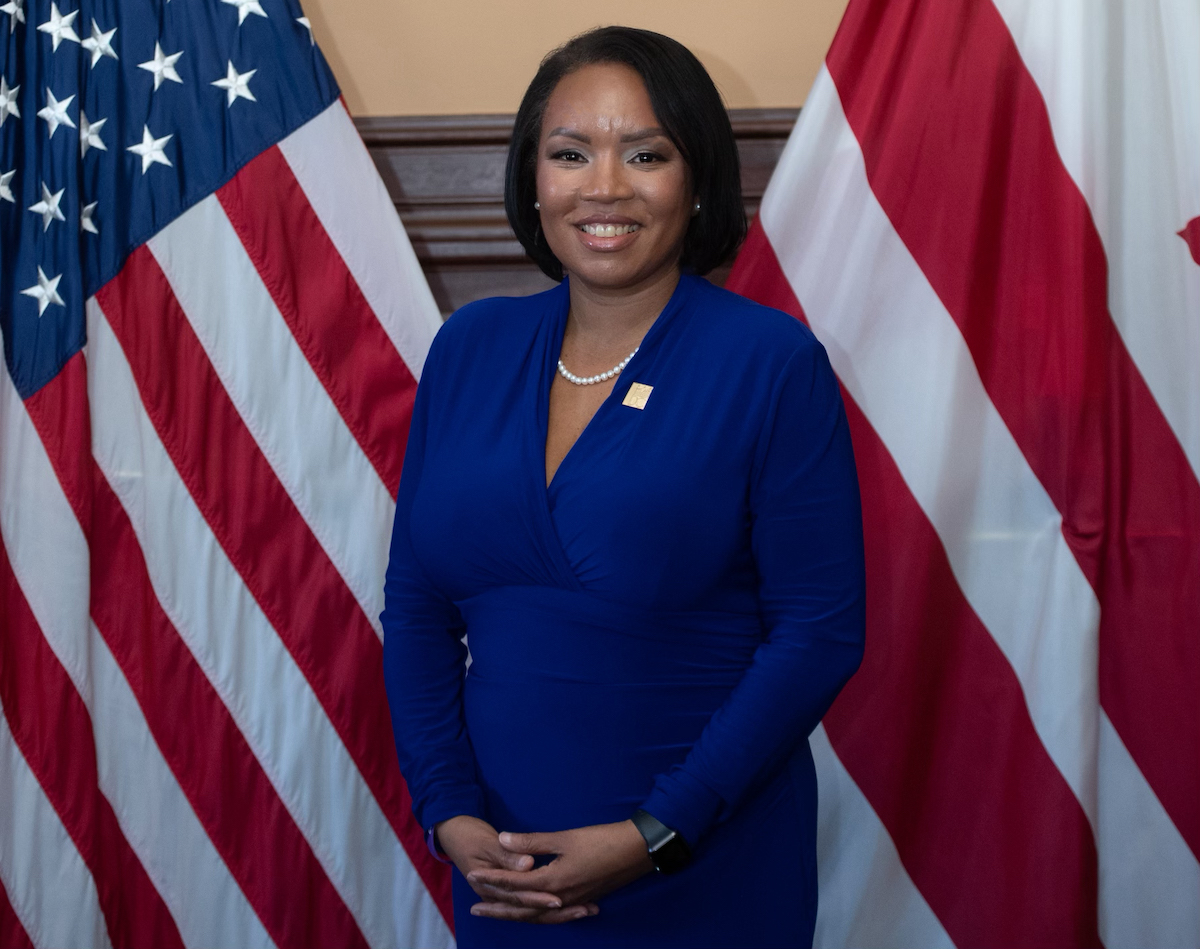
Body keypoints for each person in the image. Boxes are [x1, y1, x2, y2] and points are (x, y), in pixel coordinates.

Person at [382, 26, 865, 948]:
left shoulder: (771, 363)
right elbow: (415, 606)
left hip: (703, 858)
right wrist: (446, 809)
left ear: (698, 179)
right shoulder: (468, 348)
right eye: (571, 154)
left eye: (646, 154)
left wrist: (659, 832)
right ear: (533, 179)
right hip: (503, 872)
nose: (604, 186)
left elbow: (819, 633)